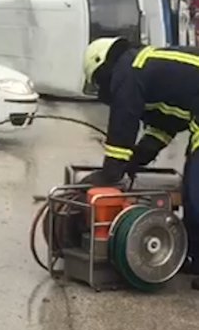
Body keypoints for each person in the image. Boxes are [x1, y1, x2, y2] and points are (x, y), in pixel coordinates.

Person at [81, 37, 199, 271]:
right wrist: (135, 160)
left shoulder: (130, 67)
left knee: (198, 188)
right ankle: (194, 257)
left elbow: (123, 122)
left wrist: (110, 172)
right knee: (191, 189)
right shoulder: (150, 73)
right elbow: (164, 127)